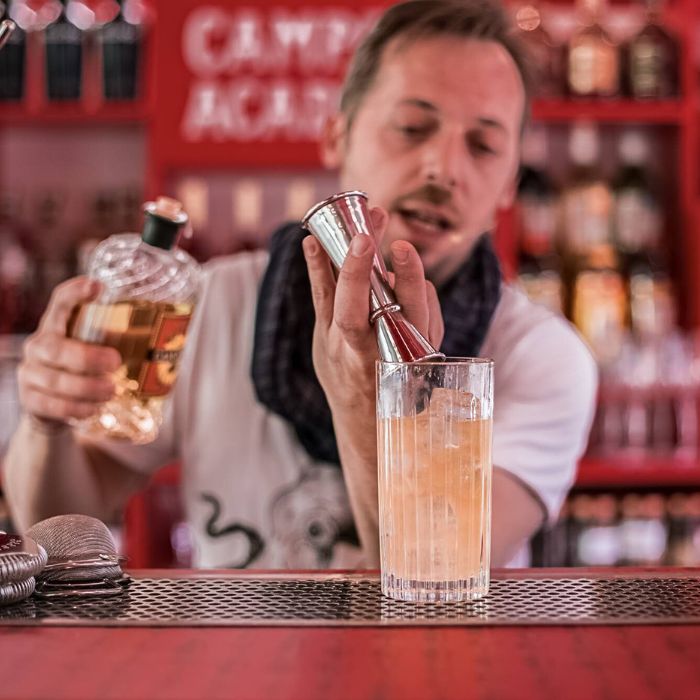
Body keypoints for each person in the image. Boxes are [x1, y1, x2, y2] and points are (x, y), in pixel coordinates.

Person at [3, 0, 597, 569]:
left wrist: (367, 399)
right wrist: (47, 422)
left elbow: (437, 571)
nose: (443, 168)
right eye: (413, 127)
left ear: (510, 184)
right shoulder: (214, 304)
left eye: (483, 145)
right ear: (336, 137)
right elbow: (57, 528)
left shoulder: (541, 358)